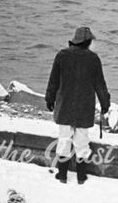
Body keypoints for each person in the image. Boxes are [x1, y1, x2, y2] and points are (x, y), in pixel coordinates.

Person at [45, 26, 111, 185]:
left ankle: (62, 175)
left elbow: (53, 81)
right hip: (84, 107)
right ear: (87, 42)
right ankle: (81, 176)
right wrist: (105, 104)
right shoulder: (93, 59)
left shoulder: (62, 56)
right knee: (82, 140)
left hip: (65, 105)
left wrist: (49, 99)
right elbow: (100, 85)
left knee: (64, 139)